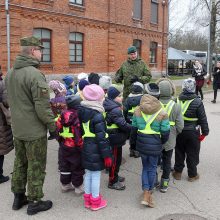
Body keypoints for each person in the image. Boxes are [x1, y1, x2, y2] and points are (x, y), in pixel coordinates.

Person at [5, 36, 56, 215]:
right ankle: (35, 201)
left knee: (20, 162)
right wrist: (53, 127)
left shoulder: (10, 72)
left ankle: (18, 197)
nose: (42, 53)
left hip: (18, 128)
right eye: (40, 50)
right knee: (36, 164)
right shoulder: (35, 74)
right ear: (33, 51)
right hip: (33, 130)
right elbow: (42, 107)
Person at [131, 92, 170, 208]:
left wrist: (133, 144)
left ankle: (145, 191)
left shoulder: (137, 111)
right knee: (152, 168)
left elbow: (133, 130)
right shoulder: (162, 112)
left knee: (145, 167)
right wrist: (161, 142)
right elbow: (165, 132)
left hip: (142, 144)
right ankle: (148, 193)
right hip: (155, 143)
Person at [78, 84, 112, 211]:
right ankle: (96, 201)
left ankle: (87, 199)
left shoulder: (82, 111)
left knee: (88, 174)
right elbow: (101, 139)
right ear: (99, 99)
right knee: (96, 175)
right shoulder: (97, 115)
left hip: (86, 146)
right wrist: (107, 155)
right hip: (96, 149)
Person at [173, 78, 209, 182]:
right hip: (193, 132)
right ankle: (192, 175)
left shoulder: (176, 100)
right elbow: (203, 119)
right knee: (192, 153)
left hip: (179, 131)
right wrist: (205, 132)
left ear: (183, 87)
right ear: (194, 88)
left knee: (179, 152)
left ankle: (178, 173)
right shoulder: (197, 101)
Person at [156, 78, 184, 193]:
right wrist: (174, 134)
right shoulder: (176, 105)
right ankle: (165, 184)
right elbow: (180, 126)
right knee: (167, 162)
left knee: (155, 162)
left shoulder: (155, 104)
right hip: (170, 137)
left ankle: (153, 182)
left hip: (155, 137)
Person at [103, 85, 132, 190]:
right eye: (119, 96)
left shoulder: (110, 104)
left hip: (114, 137)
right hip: (114, 138)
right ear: (114, 97)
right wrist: (133, 127)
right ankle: (112, 181)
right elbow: (122, 125)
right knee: (115, 160)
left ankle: (115, 175)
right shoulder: (115, 109)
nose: (122, 98)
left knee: (117, 159)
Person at [56, 95, 84, 194]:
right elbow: (78, 133)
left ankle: (65, 185)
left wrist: (60, 140)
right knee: (76, 166)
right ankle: (78, 187)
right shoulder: (77, 116)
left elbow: (58, 129)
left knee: (65, 165)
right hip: (75, 146)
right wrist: (81, 146)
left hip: (64, 145)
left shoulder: (62, 115)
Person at [123, 82, 144, 158]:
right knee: (139, 136)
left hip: (130, 121)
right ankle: (137, 151)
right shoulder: (142, 99)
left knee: (132, 136)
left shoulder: (127, 99)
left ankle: (132, 150)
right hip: (140, 121)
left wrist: (125, 120)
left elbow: (124, 110)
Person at [0, 69, 13, 184]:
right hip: (1, 121)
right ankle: (0, 175)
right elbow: (7, 102)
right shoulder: (1, 83)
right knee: (0, 149)